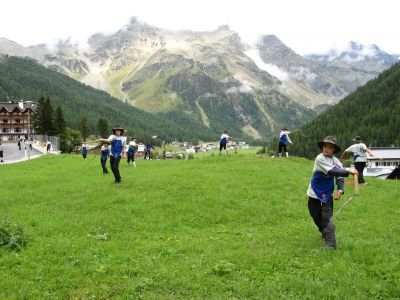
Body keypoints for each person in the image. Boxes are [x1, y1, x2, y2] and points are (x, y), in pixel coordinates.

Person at [307, 136, 358, 249]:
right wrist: (349, 170)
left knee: (327, 216)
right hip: (314, 190)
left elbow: (339, 176)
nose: (327, 149)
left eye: (330, 147)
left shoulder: (336, 161)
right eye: (325, 146)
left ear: (334, 150)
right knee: (315, 215)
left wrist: (340, 189)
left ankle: (330, 243)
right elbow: (332, 171)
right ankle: (324, 232)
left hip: (328, 191)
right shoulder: (319, 158)